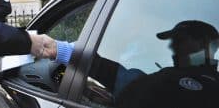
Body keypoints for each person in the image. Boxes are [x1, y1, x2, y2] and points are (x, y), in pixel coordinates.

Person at [53, 20, 219, 108]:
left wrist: (70, 53)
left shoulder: (198, 84)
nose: (172, 46)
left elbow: (130, 83)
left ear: (204, 43)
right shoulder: (184, 76)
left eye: (180, 40)